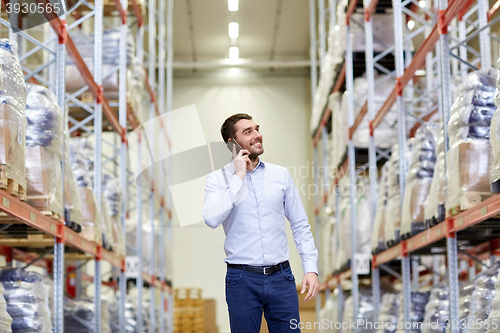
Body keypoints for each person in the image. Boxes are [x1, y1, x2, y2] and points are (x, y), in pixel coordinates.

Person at [203, 113, 319, 332]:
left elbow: (300, 225)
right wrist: (238, 177)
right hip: (242, 280)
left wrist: (310, 268)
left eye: (257, 129)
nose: (258, 135)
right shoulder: (218, 179)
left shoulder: (280, 175)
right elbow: (211, 219)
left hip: (281, 278)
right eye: (248, 132)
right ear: (232, 143)